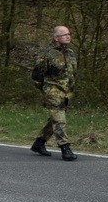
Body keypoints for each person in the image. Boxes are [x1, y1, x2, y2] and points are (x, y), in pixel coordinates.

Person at [31, 25, 78, 161]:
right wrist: (47, 90)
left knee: (55, 120)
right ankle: (65, 148)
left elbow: (72, 74)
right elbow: (36, 75)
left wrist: (69, 90)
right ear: (56, 38)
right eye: (64, 35)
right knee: (60, 121)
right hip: (53, 91)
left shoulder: (70, 53)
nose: (68, 36)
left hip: (67, 92)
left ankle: (39, 143)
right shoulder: (48, 53)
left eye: (69, 34)